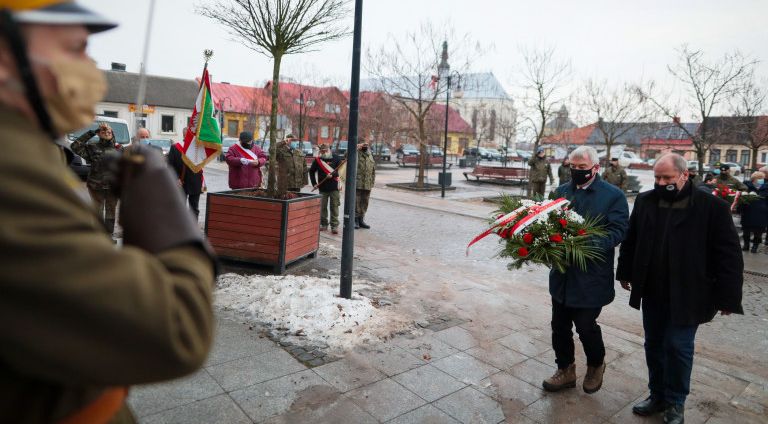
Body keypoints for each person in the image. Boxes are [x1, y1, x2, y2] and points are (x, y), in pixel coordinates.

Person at [0, 2, 216, 422]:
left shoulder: (29, 149)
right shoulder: (10, 171)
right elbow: (175, 329)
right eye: (77, 47)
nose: (91, 68)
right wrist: (169, 218)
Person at [616, 153, 743, 424]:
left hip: (690, 293)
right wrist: (625, 272)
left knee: (677, 346)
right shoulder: (645, 200)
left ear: (685, 175)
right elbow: (632, 238)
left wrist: (728, 297)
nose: (661, 183)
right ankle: (657, 395)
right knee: (653, 345)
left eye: (668, 178)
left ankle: (676, 402)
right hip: (653, 290)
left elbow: (729, 256)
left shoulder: (712, 207)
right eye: (658, 177)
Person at [543, 146, 629, 395]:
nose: (577, 172)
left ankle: (595, 364)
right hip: (562, 275)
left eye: (582, 168)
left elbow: (619, 230)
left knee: (585, 325)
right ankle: (565, 370)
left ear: (595, 168)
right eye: (573, 167)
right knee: (559, 326)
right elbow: (547, 223)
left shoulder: (613, 196)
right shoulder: (560, 192)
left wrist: (586, 245)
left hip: (591, 276)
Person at [70, 122, 122, 236]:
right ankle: (97, 235)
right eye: (103, 132)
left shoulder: (118, 149)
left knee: (111, 212)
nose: (107, 133)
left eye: (109, 132)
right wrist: (92, 132)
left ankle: (108, 235)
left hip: (112, 186)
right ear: (99, 134)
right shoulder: (92, 147)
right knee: (96, 211)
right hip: (95, 185)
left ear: (112, 134)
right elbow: (74, 146)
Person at [309, 143, 342, 234]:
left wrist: (333, 175)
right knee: (322, 207)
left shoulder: (336, 158)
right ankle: (324, 224)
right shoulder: (318, 160)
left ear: (329, 149)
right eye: (322, 151)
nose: (324, 152)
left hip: (334, 187)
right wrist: (314, 184)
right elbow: (311, 171)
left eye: (325, 150)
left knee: (334, 207)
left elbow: (341, 171)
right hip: (323, 188)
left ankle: (334, 226)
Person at [168, 139, 204, 218]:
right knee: (180, 209)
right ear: (184, 136)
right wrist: (176, 178)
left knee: (194, 209)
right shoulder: (175, 148)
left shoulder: (199, 148)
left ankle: (193, 229)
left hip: (195, 182)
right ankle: (180, 228)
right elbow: (169, 165)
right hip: (180, 183)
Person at [739, 171, 767, 253]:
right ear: (753, 179)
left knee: (759, 231)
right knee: (746, 230)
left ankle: (755, 246)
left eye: (762, 178)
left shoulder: (766, 187)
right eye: (759, 178)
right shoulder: (747, 187)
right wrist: (740, 209)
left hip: (762, 213)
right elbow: (741, 199)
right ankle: (746, 245)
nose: (761, 180)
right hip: (748, 211)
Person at [355, 140, 376, 229]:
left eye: (367, 144)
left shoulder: (370, 154)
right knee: (356, 202)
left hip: (367, 183)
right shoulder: (356, 153)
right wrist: (355, 148)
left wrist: (372, 182)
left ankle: (361, 219)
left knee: (365, 202)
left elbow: (373, 170)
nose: (365, 145)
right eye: (363, 144)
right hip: (358, 183)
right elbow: (346, 156)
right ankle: (355, 220)